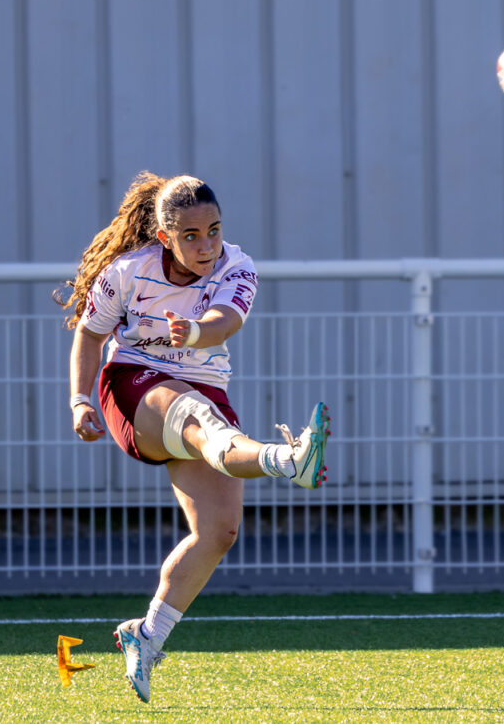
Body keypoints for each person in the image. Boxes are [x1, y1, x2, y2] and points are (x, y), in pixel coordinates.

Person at [55, 171, 331, 704]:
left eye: (214, 230)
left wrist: (198, 332)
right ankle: (289, 458)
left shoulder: (237, 265)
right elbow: (89, 335)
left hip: (203, 385)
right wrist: (79, 400)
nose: (207, 246)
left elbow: (225, 321)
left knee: (219, 531)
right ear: (165, 237)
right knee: (200, 419)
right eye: (191, 236)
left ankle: (147, 634)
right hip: (133, 384)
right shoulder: (127, 272)